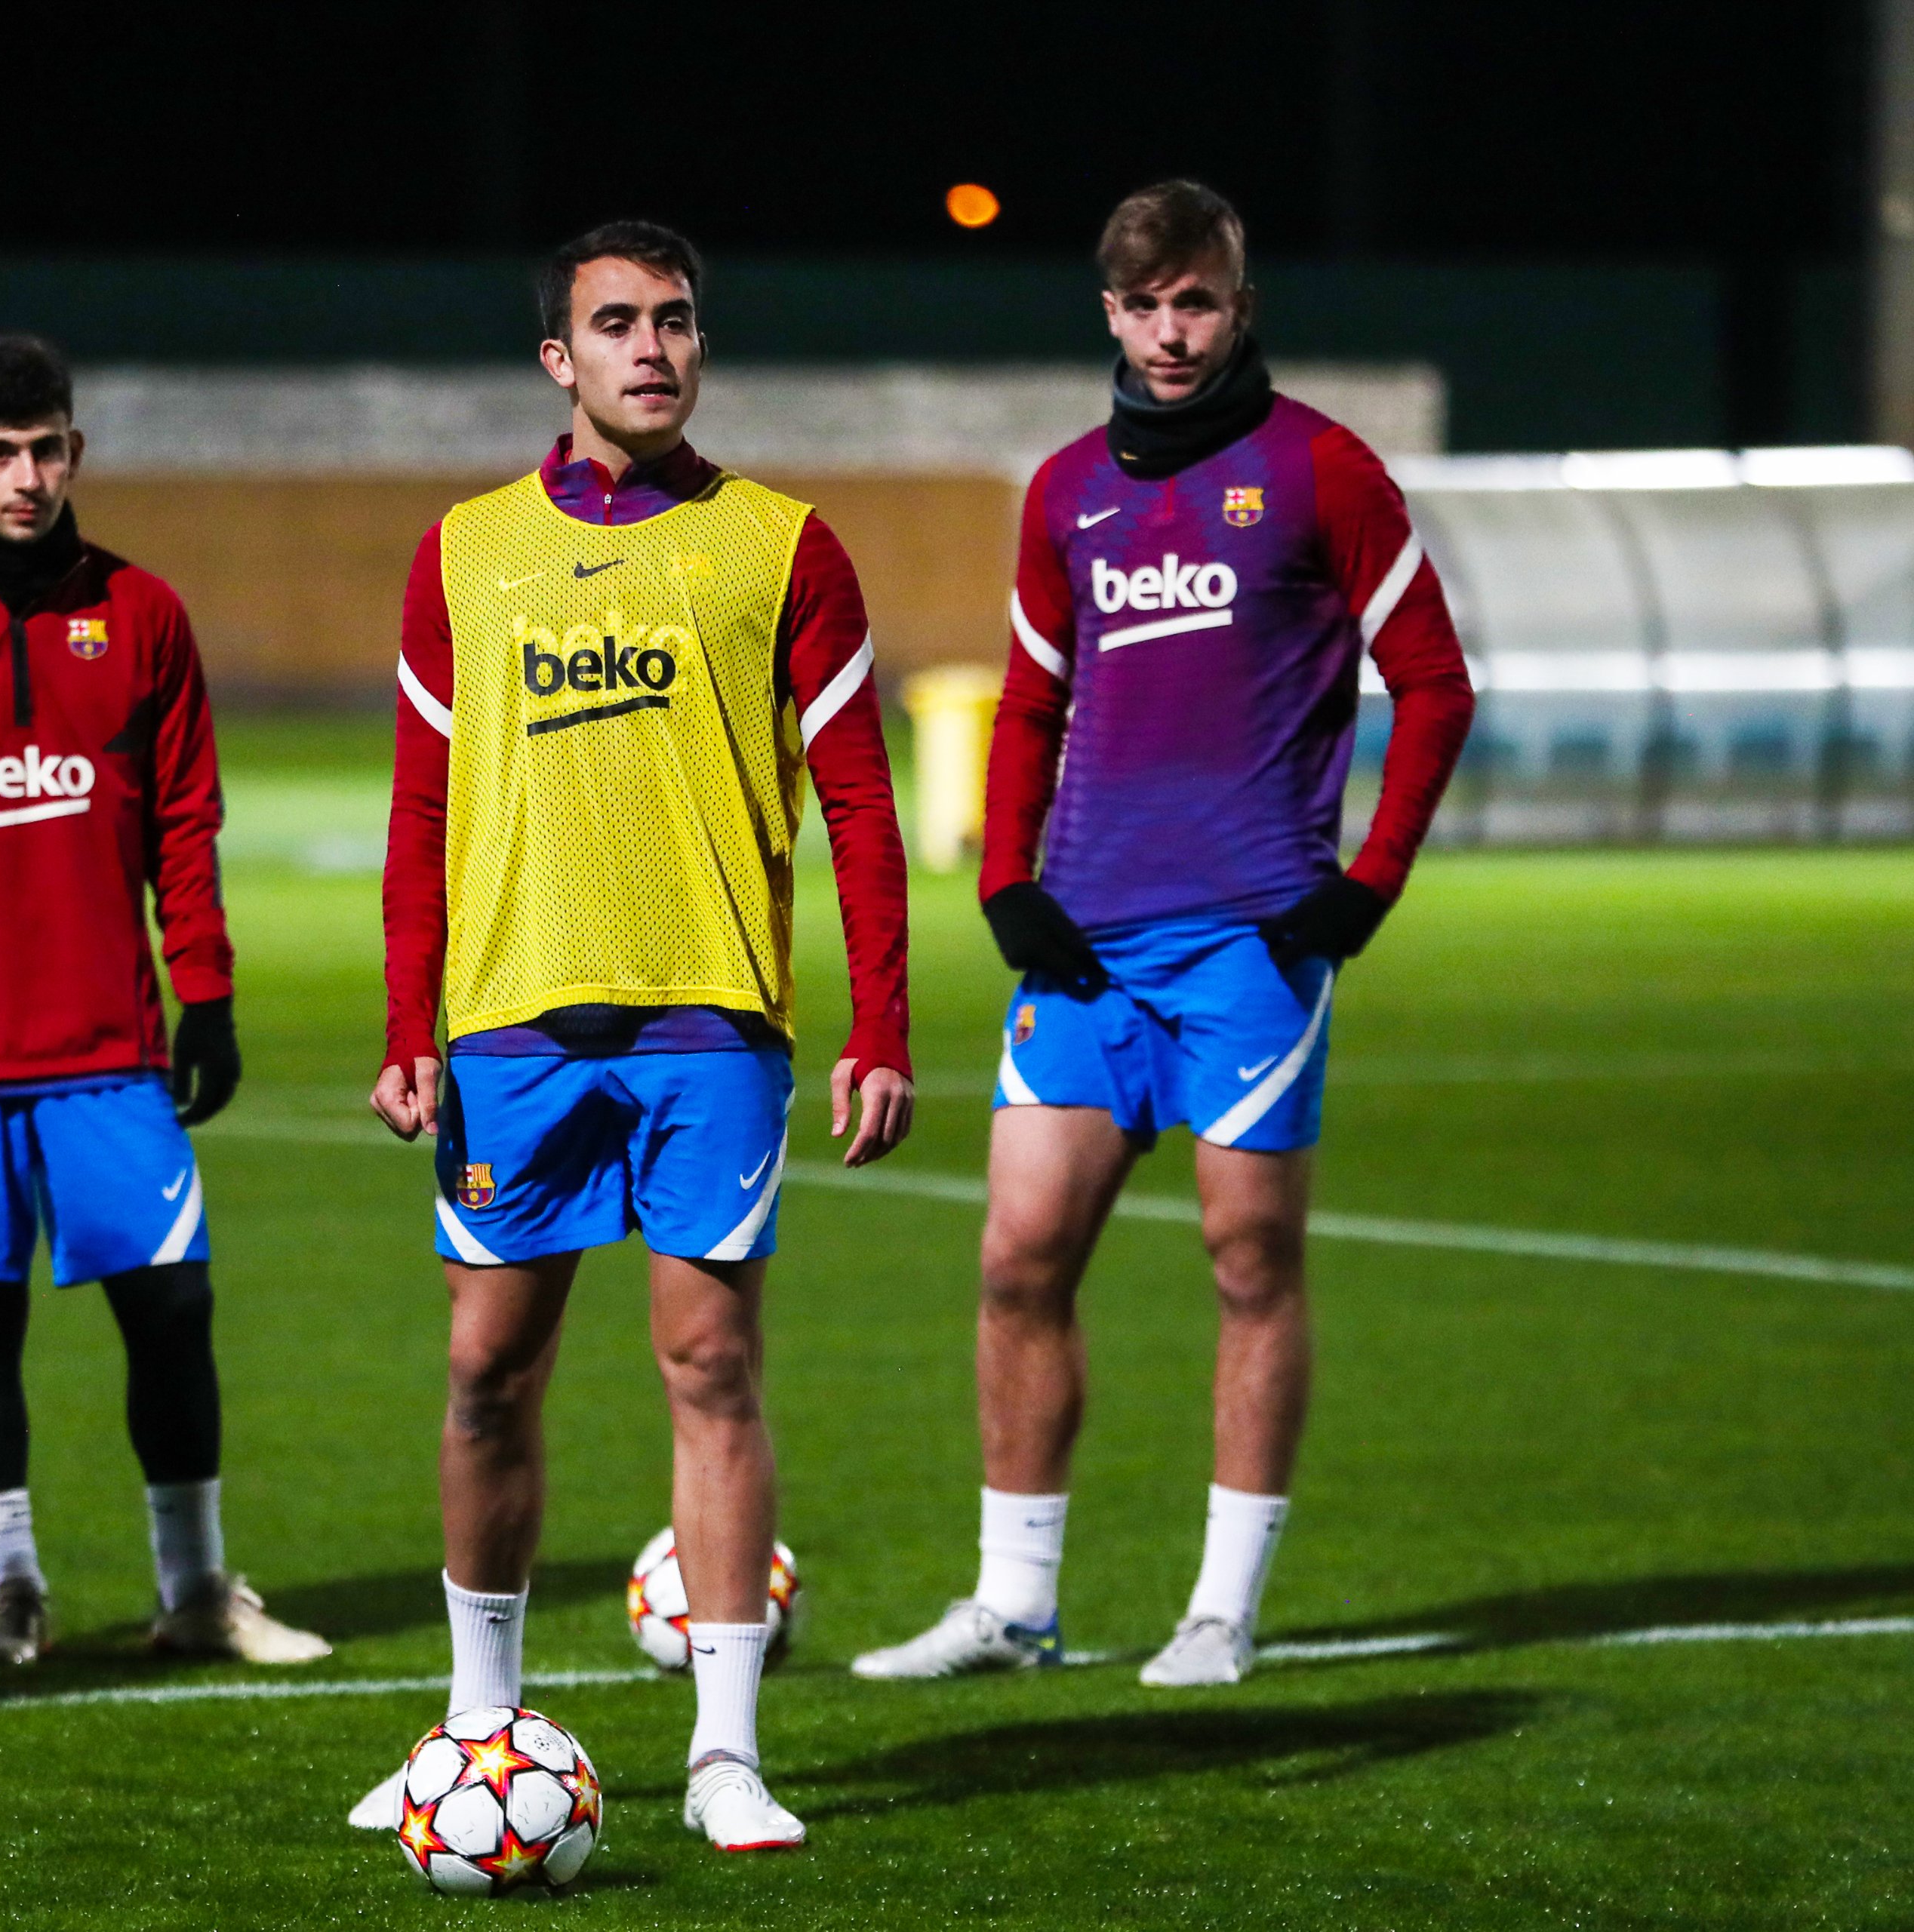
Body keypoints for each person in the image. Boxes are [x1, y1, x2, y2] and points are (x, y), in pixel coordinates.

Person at [852, 180, 1473, 1690]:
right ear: (1108, 314)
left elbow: (1435, 685)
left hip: (1250, 945)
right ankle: (1012, 1602)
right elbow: (1030, 702)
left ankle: (1219, 1607)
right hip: (1086, 943)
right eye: (1142, 305)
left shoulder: (1322, 469)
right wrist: (1007, 879)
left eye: (1193, 301)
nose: (1168, 330)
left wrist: (1364, 882)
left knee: (1246, 1258)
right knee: (1015, 1257)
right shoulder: (1066, 486)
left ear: (1235, 305)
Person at [353, 222, 915, 1852]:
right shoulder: (462, 548)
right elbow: (418, 801)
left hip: (708, 1018)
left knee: (710, 1362)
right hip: (510, 1026)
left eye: (673, 321)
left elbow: (862, 803)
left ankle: (726, 1751)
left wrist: (878, 1017)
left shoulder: (779, 544)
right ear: (559, 359)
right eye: (614, 324)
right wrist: (409, 1014)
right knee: (483, 1371)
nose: (650, 348)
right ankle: (472, 1731)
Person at [0, 334, 330, 1670]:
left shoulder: (142, 613)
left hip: (109, 1055)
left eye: (45, 449)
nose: (25, 477)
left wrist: (202, 996)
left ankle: (197, 1588)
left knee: (172, 1310)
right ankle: (14, 1591)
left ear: (75, 450)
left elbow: (187, 824)